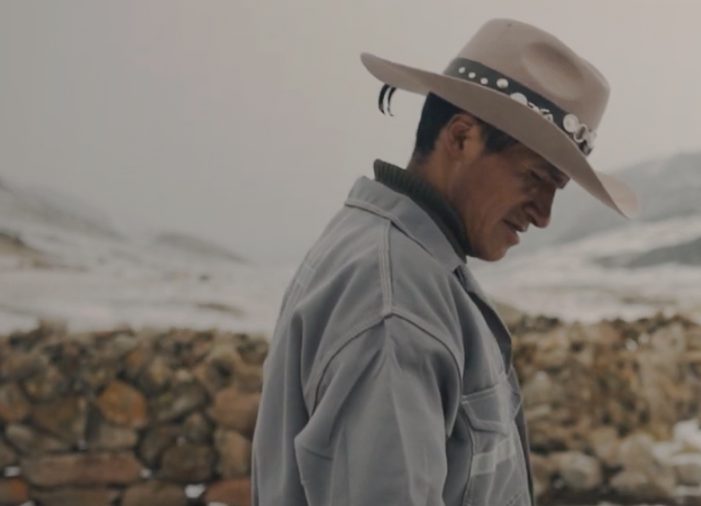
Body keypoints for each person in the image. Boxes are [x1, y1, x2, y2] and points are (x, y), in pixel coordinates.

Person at [251, 18, 638, 506]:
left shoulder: (391, 259)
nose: (543, 215)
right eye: (535, 177)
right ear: (460, 138)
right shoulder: (395, 300)